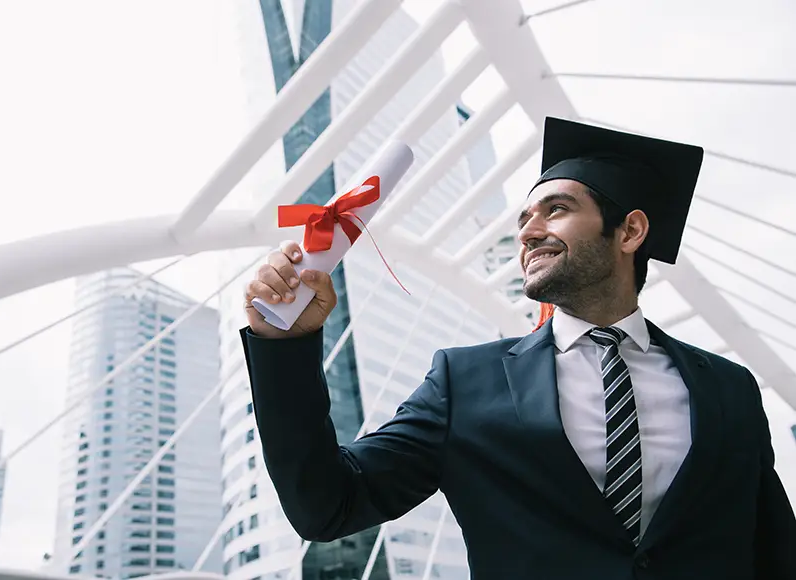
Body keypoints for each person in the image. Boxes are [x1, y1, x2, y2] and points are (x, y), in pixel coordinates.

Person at [240, 117, 796, 579]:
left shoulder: (729, 390)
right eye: (524, 218)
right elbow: (326, 505)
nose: (528, 231)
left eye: (555, 209)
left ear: (629, 232)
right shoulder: (465, 382)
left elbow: (774, 552)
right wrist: (285, 346)